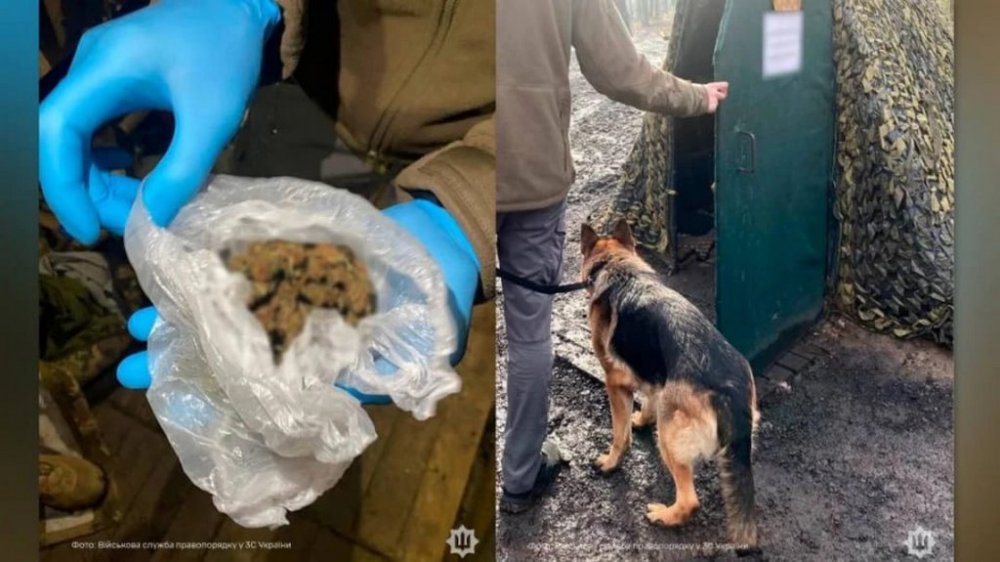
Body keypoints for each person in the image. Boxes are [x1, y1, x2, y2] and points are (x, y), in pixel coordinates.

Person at [38, 0, 496, 398]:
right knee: (243, 250)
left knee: (326, 316)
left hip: (472, 140)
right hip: (315, 78)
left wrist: (469, 211)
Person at [496, 0, 729, 513]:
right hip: (532, 179)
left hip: (440, 179)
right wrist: (698, 98)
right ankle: (519, 475)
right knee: (528, 335)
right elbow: (620, 70)